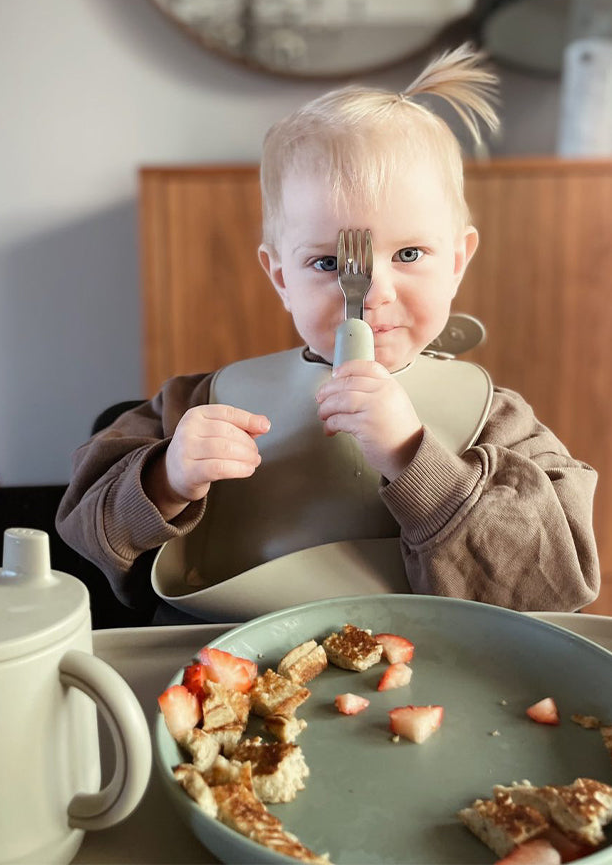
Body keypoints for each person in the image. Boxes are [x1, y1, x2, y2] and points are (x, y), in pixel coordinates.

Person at [56, 44, 599, 621]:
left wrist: (418, 463)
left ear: (459, 261)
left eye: (410, 253)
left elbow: (555, 580)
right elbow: (84, 525)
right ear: (280, 275)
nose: (372, 290)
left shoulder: (498, 419)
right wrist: (167, 479)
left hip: (427, 672)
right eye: (324, 263)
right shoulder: (197, 404)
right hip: (227, 667)